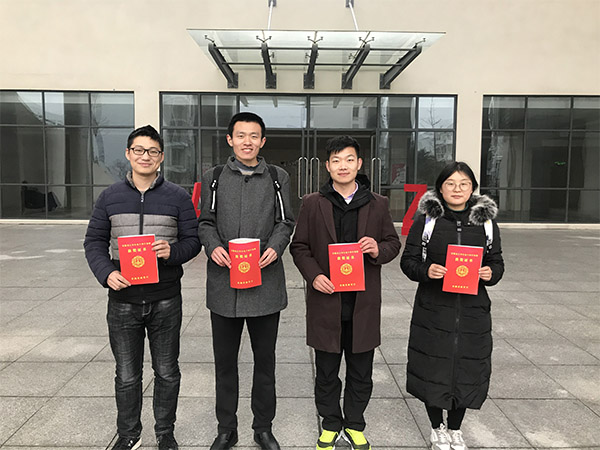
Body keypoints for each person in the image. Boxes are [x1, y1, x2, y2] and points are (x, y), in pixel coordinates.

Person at [84, 125, 201, 450]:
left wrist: (172, 252)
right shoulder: (110, 197)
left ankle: (165, 433)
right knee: (126, 374)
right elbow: (94, 241)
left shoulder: (177, 197)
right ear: (128, 154)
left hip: (165, 300)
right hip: (123, 300)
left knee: (167, 372)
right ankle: (129, 435)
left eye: (152, 151)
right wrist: (107, 273)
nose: (145, 156)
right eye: (138, 150)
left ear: (161, 157)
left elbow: (193, 242)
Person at [290, 136, 401, 450]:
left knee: (361, 371)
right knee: (326, 371)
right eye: (336, 160)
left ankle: (354, 424)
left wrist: (377, 248)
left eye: (349, 159)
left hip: (363, 303)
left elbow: (393, 243)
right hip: (326, 301)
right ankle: (330, 424)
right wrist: (314, 276)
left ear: (359, 164)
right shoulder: (313, 203)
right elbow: (299, 247)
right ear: (327, 166)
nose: (343, 166)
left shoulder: (377, 203)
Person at [198, 112, 295, 450]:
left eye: (254, 136)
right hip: (223, 285)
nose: (247, 142)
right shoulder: (213, 178)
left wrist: (275, 248)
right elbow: (205, 222)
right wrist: (213, 247)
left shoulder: (278, 177)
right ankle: (227, 428)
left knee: (264, 362)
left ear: (262, 141)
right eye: (241, 135)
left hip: (265, 284)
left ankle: (263, 427)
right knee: (225, 364)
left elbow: (285, 221)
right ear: (230, 139)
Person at [400, 161, 504, 450]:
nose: (457, 189)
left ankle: (456, 429)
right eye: (451, 184)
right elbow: (408, 262)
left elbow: (497, 262)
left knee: (467, 368)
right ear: (440, 188)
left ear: (472, 188)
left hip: (472, 312)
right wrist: (427, 270)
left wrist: (491, 273)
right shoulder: (427, 220)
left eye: (464, 184)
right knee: (433, 367)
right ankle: (437, 428)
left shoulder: (486, 223)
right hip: (434, 310)